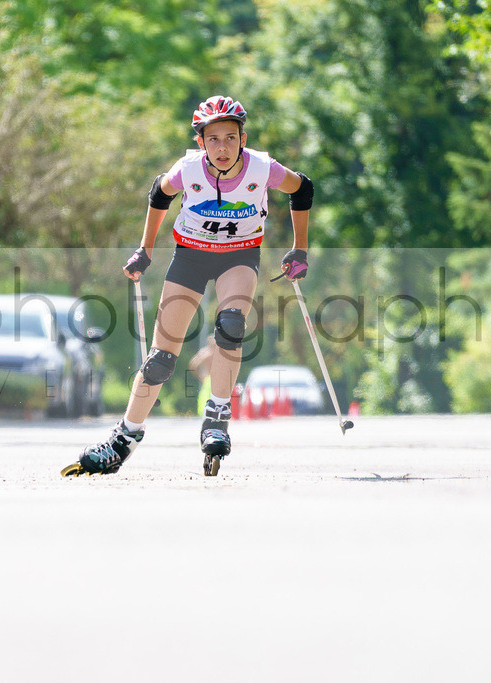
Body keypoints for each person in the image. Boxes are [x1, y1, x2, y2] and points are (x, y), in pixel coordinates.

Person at [75, 95, 313, 476]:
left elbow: (302, 189)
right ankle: (124, 438)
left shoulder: (262, 168)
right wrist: (144, 249)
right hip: (191, 255)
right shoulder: (187, 169)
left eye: (231, 138)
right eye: (213, 139)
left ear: (243, 139)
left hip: (240, 254)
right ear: (201, 142)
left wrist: (299, 248)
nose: (223, 147)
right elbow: (159, 193)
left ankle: (217, 419)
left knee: (231, 326)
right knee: (161, 359)